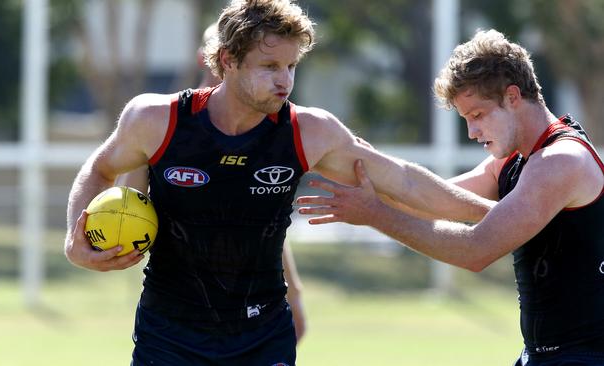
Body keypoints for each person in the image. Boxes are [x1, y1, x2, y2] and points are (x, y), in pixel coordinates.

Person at [64, 1, 493, 364]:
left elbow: (405, 183)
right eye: (269, 66)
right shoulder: (156, 120)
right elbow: (99, 169)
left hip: (262, 335)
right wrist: (74, 238)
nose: (285, 79)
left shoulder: (309, 131)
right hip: (169, 333)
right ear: (227, 61)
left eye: (290, 65)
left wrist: (499, 215)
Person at [297, 29, 604, 365]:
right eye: (466, 119)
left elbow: (475, 249)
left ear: (513, 97)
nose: (472, 132)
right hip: (544, 355)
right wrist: (363, 167)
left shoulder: (559, 161)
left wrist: (375, 214)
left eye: (477, 116)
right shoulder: (514, 159)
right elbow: (426, 197)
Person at [114, 20, 307, 343]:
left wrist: (294, 291)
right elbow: (128, 203)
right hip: (177, 314)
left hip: (251, 311)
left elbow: (264, 224)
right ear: (213, 57)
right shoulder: (167, 123)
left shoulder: (273, 124)